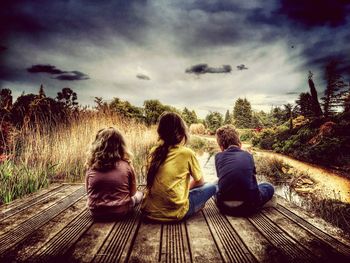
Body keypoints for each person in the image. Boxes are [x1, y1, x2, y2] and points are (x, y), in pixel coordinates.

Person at [141, 112, 217, 222]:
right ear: (181, 132)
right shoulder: (187, 153)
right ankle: (196, 206)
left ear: (160, 132)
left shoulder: (154, 151)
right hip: (175, 213)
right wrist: (186, 190)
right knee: (212, 186)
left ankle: (194, 203)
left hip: (149, 211)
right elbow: (200, 182)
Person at [214, 125, 275, 216]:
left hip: (224, 207)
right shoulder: (248, 155)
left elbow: (222, 177)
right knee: (268, 186)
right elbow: (252, 176)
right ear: (240, 144)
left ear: (221, 147)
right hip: (249, 207)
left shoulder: (218, 156)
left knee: (215, 184)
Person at [85, 127, 143, 220]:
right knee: (139, 195)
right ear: (121, 145)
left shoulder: (91, 166)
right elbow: (132, 193)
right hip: (120, 211)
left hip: (96, 212)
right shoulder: (127, 165)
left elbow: (88, 191)